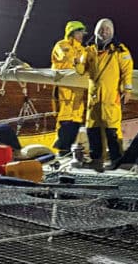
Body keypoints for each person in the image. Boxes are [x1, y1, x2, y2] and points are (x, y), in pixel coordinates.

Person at [76, 18, 132, 171]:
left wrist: (127, 90)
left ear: (112, 32)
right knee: (92, 129)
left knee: (111, 130)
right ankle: (96, 160)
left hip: (110, 96)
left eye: (107, 29)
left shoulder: (120, 50)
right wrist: (77, 62)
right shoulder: (88, 50)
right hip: (93, 98)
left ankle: (116, 159)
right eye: (101, 29)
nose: (104, 31)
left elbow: (127, 71)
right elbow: (81, 71)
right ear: (96, 31)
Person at [50, 20, 88, 158]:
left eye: (82, 33)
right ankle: (61, 152)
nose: (81, 36)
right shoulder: (62, 46)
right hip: (64, 92)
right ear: (72, 33)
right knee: (64, 123)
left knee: (76, 123)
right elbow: (67, 57)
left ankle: (67, 152)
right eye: (79, 32)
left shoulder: (83, 49)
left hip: (78, 94)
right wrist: (78, 60)